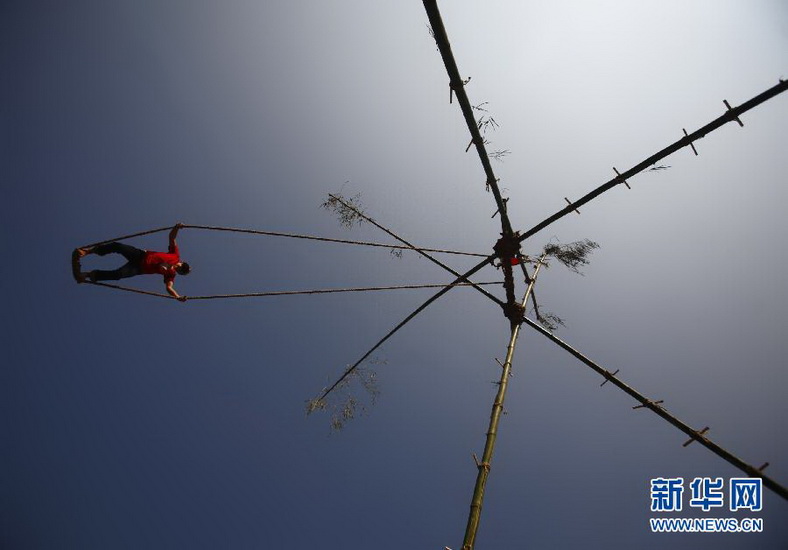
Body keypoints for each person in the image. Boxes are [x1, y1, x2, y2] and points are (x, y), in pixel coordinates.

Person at [77, 223, 190, 301]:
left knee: (118, 275)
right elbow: (172, 237)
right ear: (182, 262)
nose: (179, 268)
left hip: (138, 269)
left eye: (181, 271)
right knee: (118, 247)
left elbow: (169, 288)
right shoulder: (175, 255)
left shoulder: (171, 274)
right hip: (141, 255)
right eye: (182, 266)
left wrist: (177, 297)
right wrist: (177, 227)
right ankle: (87, 252)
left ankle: (87, 275)